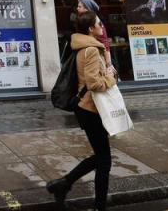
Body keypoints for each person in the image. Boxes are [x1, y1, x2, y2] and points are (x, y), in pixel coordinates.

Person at [47, 11, 116, 211]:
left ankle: (63, 184)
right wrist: (112, 78)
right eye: (99, 24)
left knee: (102, 157)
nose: (102, 26)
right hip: (91, 108)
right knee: (104, 160)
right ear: (90, 29)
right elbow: (94, 83)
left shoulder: (82, 47)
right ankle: (97, 205)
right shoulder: (92, 50)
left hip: (85, 108)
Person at [76, 0, 113, 72]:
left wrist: (109, 64)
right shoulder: (83, 20)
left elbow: (105, 43)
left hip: (96, 59)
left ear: (87, 9)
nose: (77, 8)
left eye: (80, 6)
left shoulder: (96, 23)